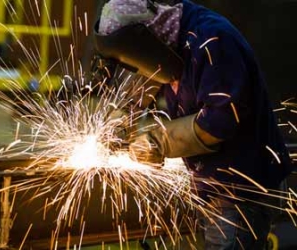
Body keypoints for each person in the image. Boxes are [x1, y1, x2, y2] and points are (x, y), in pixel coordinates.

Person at [94, 0, 293, 249]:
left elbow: (218, 122)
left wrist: (157, 142)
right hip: (214, 184)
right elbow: (149, 74)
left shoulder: (213, 41)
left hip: (240, 190)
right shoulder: (168, 35)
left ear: (145, 38)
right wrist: (120, 121)